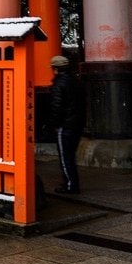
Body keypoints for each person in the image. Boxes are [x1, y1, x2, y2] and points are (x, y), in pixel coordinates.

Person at [49, 55, 84, 194]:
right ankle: (72, 183)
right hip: (77, 124)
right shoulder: (77, 81)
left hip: (65, 125)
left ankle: (71, 185)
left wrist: (54, 124)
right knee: (70, 156)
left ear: (55, 69)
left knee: (65, 157)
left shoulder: (59, 85)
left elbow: (56, 107)